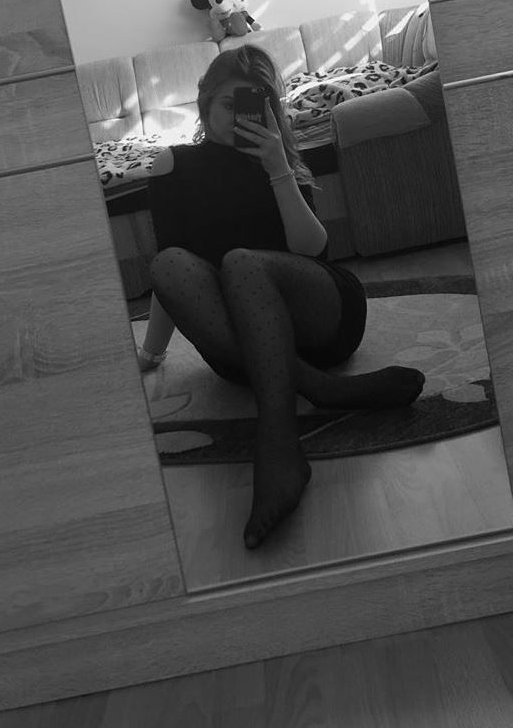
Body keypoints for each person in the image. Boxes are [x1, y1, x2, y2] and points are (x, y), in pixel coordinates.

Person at [137, 44, 425, 549]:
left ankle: (278, 445)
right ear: (205, 103)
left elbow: (314, 249)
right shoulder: (172, 166)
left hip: (320, 316)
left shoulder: (278, 158)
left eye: (253, 105)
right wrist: (152, 352)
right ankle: (321, 388)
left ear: (270, 109)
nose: (238, 117)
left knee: (241, 261)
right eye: (228, 104)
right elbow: (173, 278)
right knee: (166, 263)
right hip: (245, 347)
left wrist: (277, 168)